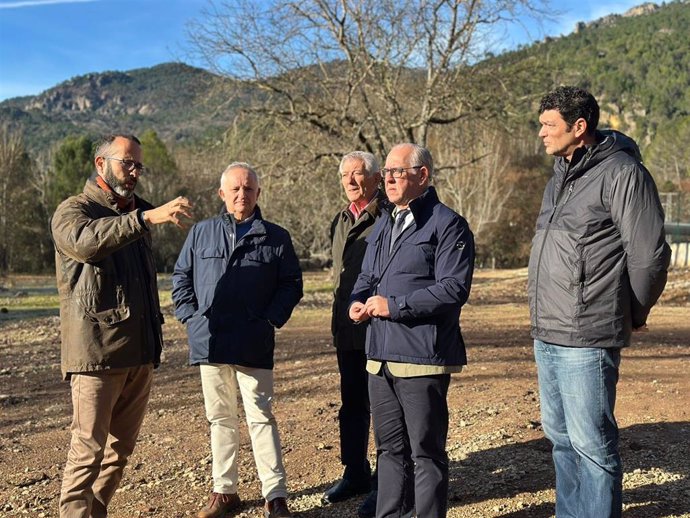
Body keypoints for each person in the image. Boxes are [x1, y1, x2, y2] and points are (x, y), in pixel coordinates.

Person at [529, 86, 671, 518]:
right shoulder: (561, 173)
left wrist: (635, 311)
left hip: (587, 333)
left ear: (579, 127)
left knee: (591, 444)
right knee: (561, 439)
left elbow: (648, 256)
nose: (540, 133)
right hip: (548, 330)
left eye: (548, 125)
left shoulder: (623, 173)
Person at [51, 133, 193, 518]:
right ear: (101, 164)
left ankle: (94, 512)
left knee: (119, 451)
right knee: (87, 452)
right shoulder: (73, 211)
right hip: (96, 355)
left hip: (140, 353)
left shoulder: (136, 210)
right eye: (126, 163)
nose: (134, 172)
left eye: (138, 166)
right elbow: (86, 242)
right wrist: (144, 217)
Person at [350, 143, 475, 518]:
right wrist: (358, 301)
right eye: (386, 173)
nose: (387, 179)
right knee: (389, 450)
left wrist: (396, 306)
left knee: (426, 452)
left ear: (422, 176)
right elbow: (367, 276)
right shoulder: (385, 222)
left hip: (421, 357)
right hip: (380, 357)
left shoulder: (448, 223)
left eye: (397, 172)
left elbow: (454, 288)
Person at [172, 162, 303, 518]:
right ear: (222, 194)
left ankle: (275, 495)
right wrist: (191, 318)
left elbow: (291, 283)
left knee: (260, 416)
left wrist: (271, 319)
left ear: (258, 193)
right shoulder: (201, 233)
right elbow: (181, 277)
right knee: (220, 418)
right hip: (210, 341)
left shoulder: (276, 237)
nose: (242, 195)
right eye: (235, 189)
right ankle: (224, 491)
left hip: (253, 341)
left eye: (248, 189)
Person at [324, 151, 385, 518]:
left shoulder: (388, 216)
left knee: (384, 406)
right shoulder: (341, 219)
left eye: (357, 174)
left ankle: (387, 480)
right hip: (345, 328)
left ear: (376, 178)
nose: (349, 181)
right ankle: (355, 470)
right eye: (345, 175)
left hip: (379, 327)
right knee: (352, 404)